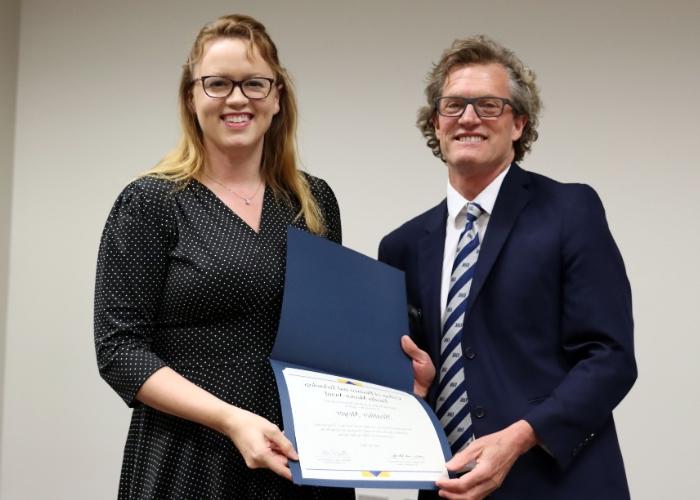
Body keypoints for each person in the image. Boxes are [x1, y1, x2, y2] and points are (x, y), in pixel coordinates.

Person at [94, 14, 353, 500]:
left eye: (254, 83)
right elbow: (119, 351)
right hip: (191, 460)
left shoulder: (313, 203)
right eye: (217, 84)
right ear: (192, 98)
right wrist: (231, 421)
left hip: (299, 457)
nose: (237, 99)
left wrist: (394, 381)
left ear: (277, 97)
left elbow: (328, 339)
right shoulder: (151, 202)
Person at [380, 36, 637, 499]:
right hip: (449, 487)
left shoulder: (570, 210)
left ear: (519, 123)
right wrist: (409, 388)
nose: (469, 117)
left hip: (559, 483)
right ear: (436, 125)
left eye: (489, 105)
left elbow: (611, 358)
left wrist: (519, 436)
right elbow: (410, 380)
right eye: (453, 105)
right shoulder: (400, 246)